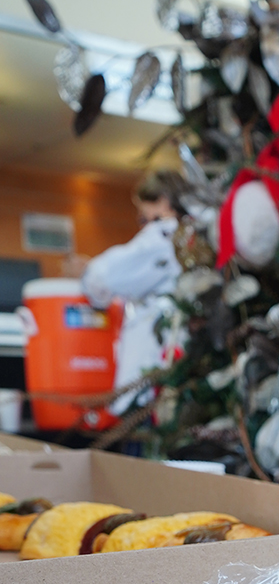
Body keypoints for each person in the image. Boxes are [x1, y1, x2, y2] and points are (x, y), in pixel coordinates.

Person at [82, 171, 186, 414]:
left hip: (153, 348)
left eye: (143, 211)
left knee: (140, 415)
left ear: (163, 202)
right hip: (181, 346)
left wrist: (85, 272)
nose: (143, 219)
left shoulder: (161, 235)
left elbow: (104, 276)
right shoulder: (192, 234)